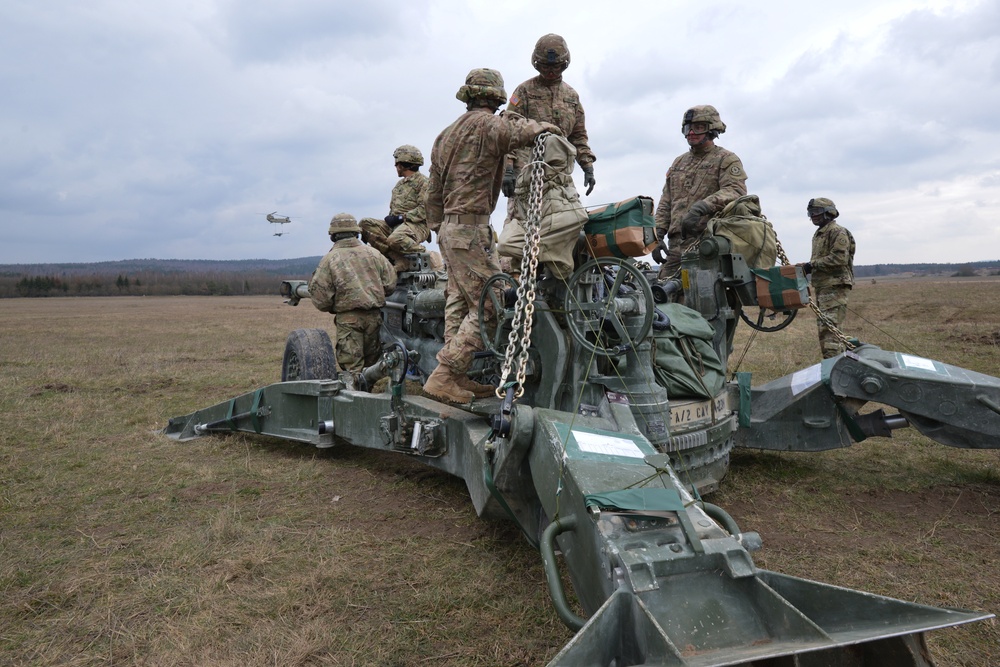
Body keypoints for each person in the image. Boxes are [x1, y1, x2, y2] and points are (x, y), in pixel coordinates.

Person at [423, 67, 561, 404]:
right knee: (490, 307)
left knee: (459, 302)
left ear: (468, 95)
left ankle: (457, 376)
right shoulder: (489, 125)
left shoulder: (445, 135)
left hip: (451, 230)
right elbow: (517, 131)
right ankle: (442, 377)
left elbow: (433, 192)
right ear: (496, 97)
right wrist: (545, 127)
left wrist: (440, 227)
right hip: (470, 230)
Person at [654, 105, 748, 282]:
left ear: (712, 129)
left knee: (704, 297)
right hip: (676, 246)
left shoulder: (725, 159)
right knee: (665, 295)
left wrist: (701, 207)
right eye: (687, 128)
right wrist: (656, 236)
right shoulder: (679, 162)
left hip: (707, 242)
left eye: (698, 128)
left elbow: (735, 191)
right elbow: (666, 202)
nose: (691, 133)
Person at [503, 34, 596, 200]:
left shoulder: (572, 96)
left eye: (557, 67)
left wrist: (588, 167)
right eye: (545, 67)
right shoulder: (524, 91)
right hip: (527, 168)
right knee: (521, 218)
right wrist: (508, 169)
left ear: (564, 65)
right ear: (537, 65)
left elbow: (579, 136)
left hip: (559, 170)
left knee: (566, 218)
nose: (551, 72)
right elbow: (509, 130)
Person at [309, 213, 397, 372]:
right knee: (371, 368)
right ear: (356, 232)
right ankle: (367, 393)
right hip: (374, 318)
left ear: (333, 235)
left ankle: (356, 394)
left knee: (352, 369)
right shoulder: (375, 254)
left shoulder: (330, 259)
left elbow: (321, 298)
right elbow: (390, 284)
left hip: (348, 320)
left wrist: (334, 305)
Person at [799, 198, 856, 359]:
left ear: (829, 212)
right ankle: (841, 362)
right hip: (824, 287)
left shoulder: (837, 232)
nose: (813, 216)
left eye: (816, 212)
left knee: (830, 331)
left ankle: (834, 367)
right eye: (810, 213)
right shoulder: (820, 233)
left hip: (835, 286)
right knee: (826, 330)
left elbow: (839, 259)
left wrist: (812, 265)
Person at [360, 145, 430, 273]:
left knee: (395, 239)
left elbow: (425, 210)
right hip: (397, 225)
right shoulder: (399, 186)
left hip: (417, 225)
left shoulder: (424, 182)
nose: (395, 166)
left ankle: (427, 256)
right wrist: (392, 219)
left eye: (397, 163)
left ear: (403, 163)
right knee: (365, 224)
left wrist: (400, 218)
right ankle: (399, 259)